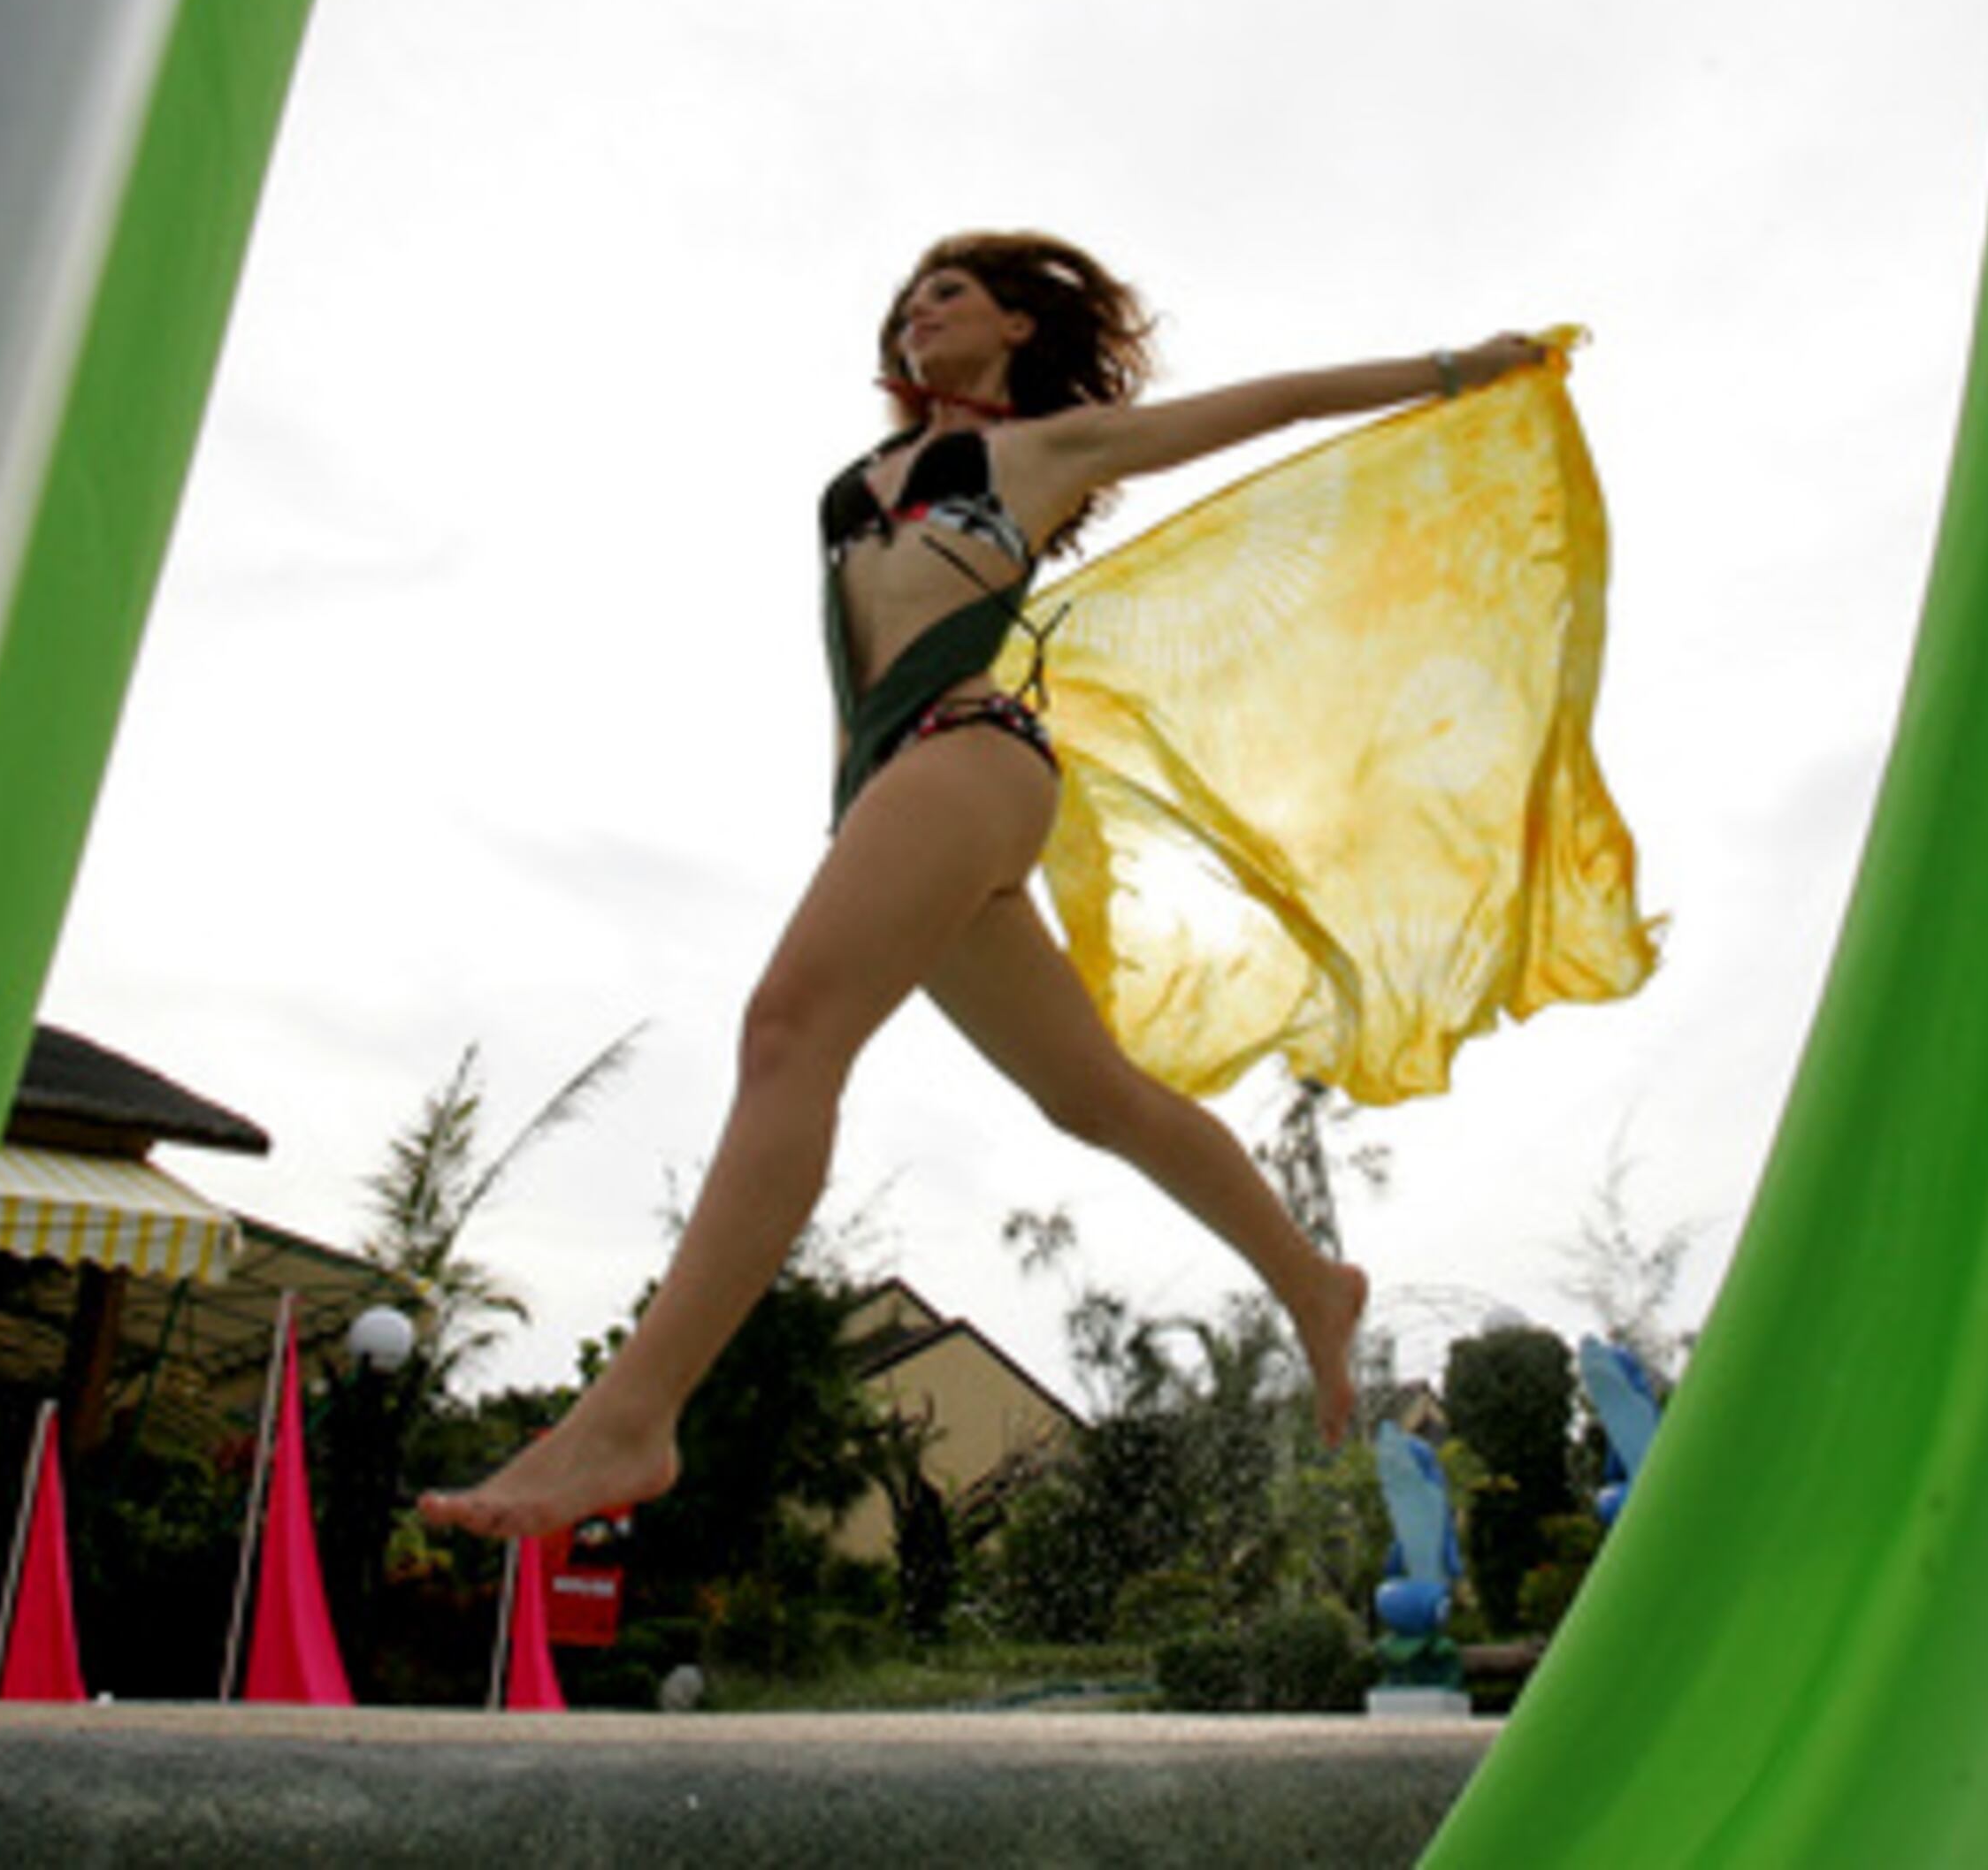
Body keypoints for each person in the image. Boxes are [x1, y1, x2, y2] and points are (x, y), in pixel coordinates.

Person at [418, 231, 1554, 1542]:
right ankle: (1312, 1277)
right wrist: (854, 821)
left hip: (977, 754)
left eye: (946, 295)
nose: (916, 315)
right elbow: (854, 667)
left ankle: (630, 1416)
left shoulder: (1046, 451)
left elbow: (1274, 405)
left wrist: (1456, 368)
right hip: (890, 788)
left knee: (788, 1031)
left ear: (1017, 326)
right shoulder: (852, 484)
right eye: (905, 304)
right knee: (1092, 1096)